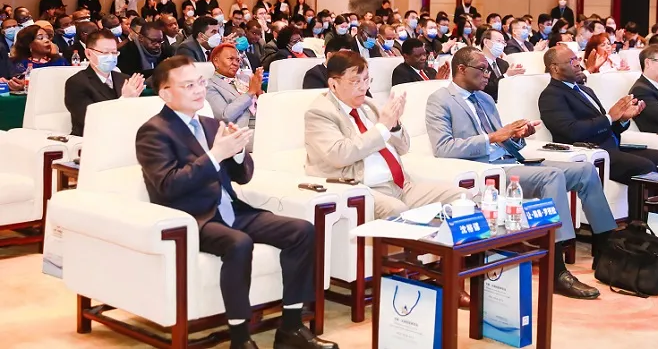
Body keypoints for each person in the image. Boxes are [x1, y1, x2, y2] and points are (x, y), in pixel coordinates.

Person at [136, 56, 336, 349]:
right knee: (238, 243)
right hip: (193, 218)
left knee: (302, 230)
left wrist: (239, 153)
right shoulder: (154, 131)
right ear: (165, 93)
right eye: (188, 85)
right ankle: (240, 339)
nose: (198, 90)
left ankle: (291, 328)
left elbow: (242, 177)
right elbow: (168, 186)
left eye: (200, 82)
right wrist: (216, 154)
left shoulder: (210, 124)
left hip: (232, 209)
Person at [425, 47, 616, 299]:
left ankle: (606, 252)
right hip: (488, 171)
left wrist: (517, 136)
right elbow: (443, 148)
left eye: (488, 70)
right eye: (482, 70)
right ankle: (556, 270)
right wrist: (493, 137)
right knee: (552, 177)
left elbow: (505, 141)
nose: (487, 75)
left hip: (512, 161)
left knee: (585, 170)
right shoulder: (440, 100)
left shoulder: (485, 99)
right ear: (461, 69)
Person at [304, 51, 465, 219]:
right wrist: (382, 127)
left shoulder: (369, 105)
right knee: (396, 209)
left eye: (366, 80)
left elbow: (403, 148)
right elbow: (339, 155)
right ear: (333, 84)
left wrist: (394, 125)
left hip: (401, 186)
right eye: (355, 81)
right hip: (363, 189)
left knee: (463, 197)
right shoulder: (319, 112)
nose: (363, 87)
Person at [539, 46, 658, 219]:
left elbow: (608, 126)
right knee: (643, 167)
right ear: (555, 68)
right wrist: (610, 117)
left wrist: (623, 119)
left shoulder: (586, 90)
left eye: (578, 59)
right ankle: (639, 225)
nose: (578, 64)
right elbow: (571, 131)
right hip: (591, 153)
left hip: (612, 148)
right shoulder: (551, 95)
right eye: (572, 61)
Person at [64, 30, 145, 136]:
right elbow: (91, 120)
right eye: (105, 53)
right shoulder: (76, 83)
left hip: (124, 136)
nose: (111, 57)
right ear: (88, 54)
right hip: (90, 140)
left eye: (114, 53)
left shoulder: (124, 79)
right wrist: (124, 100)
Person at [206, 43, 263, 151]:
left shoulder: (243, 79)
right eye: (230, 59)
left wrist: (259, 93)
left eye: (237, 60)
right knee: (276, 138)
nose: (236, 63)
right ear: (216, 61)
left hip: (262, 122)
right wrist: (250, 92)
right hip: (240, 132)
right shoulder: (210, 86)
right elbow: (225, 116)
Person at [479, 29, 524, 102]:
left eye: (503, 42)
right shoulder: (478, 63)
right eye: (498, 41)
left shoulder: (503, 63)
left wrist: (515, 76)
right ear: (486, 42)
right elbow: (484, 88)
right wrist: (506, 76)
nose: (501, 45)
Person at [1, 18, 21, 86]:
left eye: (15, 26)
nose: (12, 29)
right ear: (2, 31)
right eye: (8, 27)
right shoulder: (1, 46)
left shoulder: (24, 41)